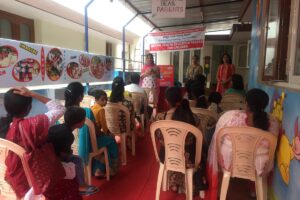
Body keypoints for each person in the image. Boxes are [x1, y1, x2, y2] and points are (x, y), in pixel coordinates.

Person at [0, 87, 82, 200]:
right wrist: (32, 94)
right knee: (70, 178)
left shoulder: (5, 126)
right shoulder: (32, 124)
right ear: (29, 107)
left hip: (13, 177)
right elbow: (60, 108)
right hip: (34, 178)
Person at [206, 88, 279, 200]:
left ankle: (221, 193)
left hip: (230, 162)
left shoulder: (230, 117)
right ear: (264, 105)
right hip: (259, 166)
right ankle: (255, 192)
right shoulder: (273, 122)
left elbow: (217, 141)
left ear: (246, 103)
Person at [155, 87, 207, 195]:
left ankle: (175, 180)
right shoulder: (194, 118)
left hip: (167, 156)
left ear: (166, 101)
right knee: (203, 151)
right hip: (189, 159)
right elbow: (201, 139)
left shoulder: (160, 118)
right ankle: (193, 181)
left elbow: (159, 138)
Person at [64, 82, 119, 178]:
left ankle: (98, 169)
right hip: (86, 146)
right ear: (81, 97)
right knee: (109, 140)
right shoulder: (86, 112)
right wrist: (105, 134)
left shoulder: (60, 112)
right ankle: (112, 166)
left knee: (98, 142)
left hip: (70, 147)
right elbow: (96, 132)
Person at [56, 106, 99, 195]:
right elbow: (63, 154)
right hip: (55, 159)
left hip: (49, 156)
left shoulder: (59, 127)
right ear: (79, 123)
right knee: (78, 160)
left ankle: (80, 184)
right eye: (83, 119)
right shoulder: (68, 135)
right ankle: (81, 185)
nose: (84, 121)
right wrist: (69, 154)